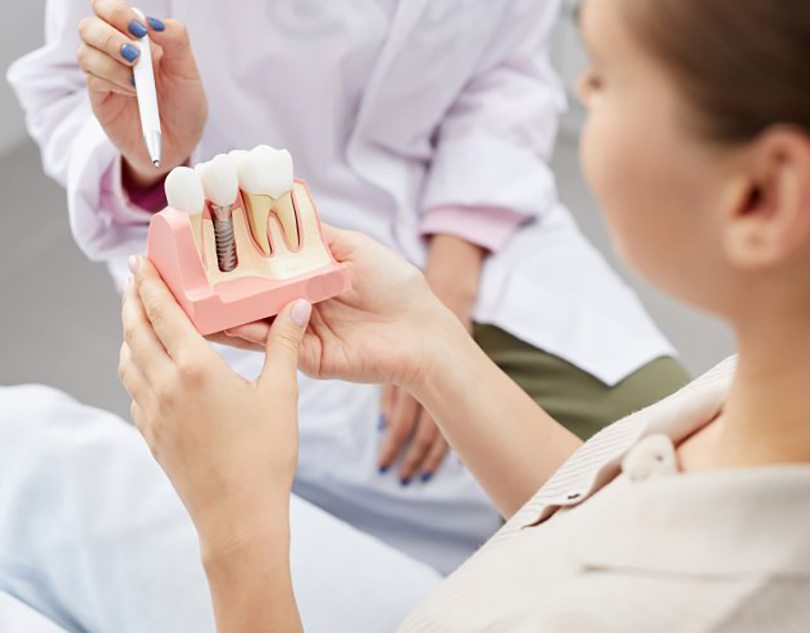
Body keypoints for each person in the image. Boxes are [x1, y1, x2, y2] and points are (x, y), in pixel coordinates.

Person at [112, 0, 810, 629]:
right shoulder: (802, 392)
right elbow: (617, 516)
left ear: (762, 197)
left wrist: (238, 532)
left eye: (601, 78)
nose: (578, 95)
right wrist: (429, 346)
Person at [7, 0, 687, 573]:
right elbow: (75, 92)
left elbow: (507, 72)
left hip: (476, 229)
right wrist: (152, 149)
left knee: (665, 467)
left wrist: (449, 282)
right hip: (244, 253)